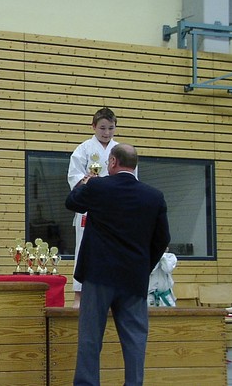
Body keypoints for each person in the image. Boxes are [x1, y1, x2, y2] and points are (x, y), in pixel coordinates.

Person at [65, 143, 170, 386]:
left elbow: (72, 203)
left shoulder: (99, 187)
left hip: (98, 275)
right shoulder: (154, 196)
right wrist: (143, 266)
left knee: (90, 338)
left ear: (112, 162)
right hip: (134, 278)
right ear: (134, 165)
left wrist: (85, 182)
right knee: (135, 339)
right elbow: (162, 239)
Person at [67, 107, 118, 308]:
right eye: (102, 128)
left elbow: (130, 177)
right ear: (93, 127)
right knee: (83, 250)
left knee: (113, 250)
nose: (106, 133)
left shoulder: (120, 150)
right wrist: (87, 180)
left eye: (110, 128)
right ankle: (79, 296)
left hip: (113, 211)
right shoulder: (83, 149)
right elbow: (74, 177)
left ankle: (111, 295)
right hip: (89, 209)